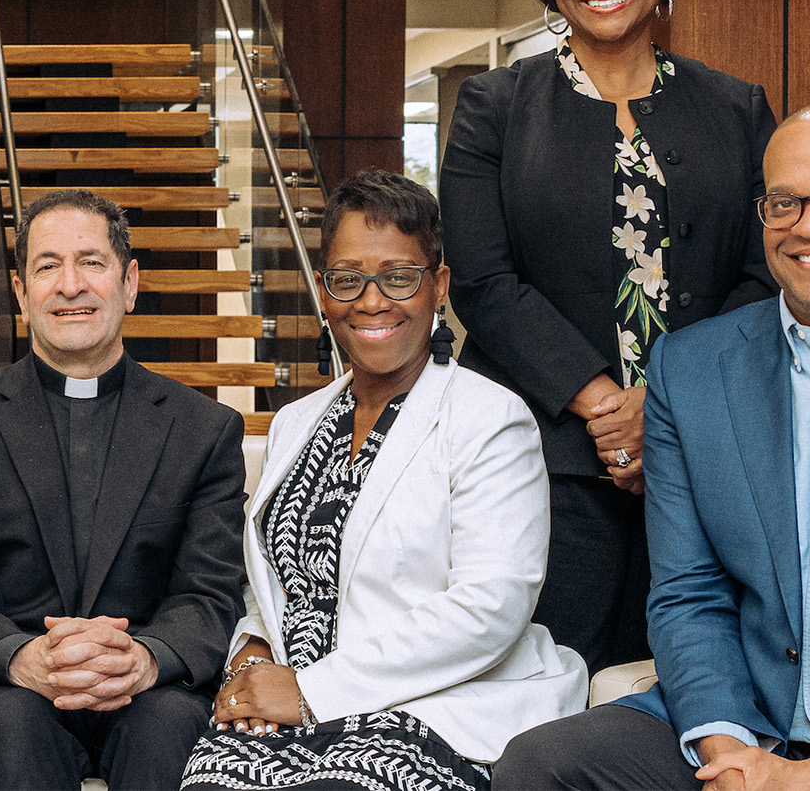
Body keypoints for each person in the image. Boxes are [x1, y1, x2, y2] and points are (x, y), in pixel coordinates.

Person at [494, 100, 810, 790]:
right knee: (543, 766)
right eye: (784, 203)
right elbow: (688, 593)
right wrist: (726, 749)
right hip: (746, 711)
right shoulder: (690, 369)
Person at [439, 0, 777, 672]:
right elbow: (486, 282)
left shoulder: (737, 106)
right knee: (547, 680)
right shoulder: (494, 107)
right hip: (546, 451)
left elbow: (767, 272)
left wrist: (661, 402)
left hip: (704, 443)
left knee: (693, 672)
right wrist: (604, 405)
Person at [180, 171, 587, 791]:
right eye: (348, 278)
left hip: (427, 716)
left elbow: (490, 608)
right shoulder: (295, 423)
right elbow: (279, 588)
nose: (372, 301)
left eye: (399, 276)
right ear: (325, 292)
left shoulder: (492, 419)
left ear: (438, 287)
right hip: (285, 720)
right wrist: (254, 650)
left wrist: (312, 690)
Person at [0, 189, 246, 790]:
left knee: (173, 728)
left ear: (130, 283)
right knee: (8, 727)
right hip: (15, 686)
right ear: (20, 293)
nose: (70, 285)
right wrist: (23, 656)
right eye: (47, 266)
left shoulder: (204, 429)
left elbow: (210, 589)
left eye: (91, 262)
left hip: (151, 686)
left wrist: (144, 658)